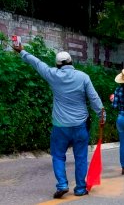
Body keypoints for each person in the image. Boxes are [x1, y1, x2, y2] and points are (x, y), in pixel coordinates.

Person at [12, 44, 105, 198]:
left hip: (60, 126)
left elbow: (37, 63)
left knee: (58, 155)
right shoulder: (83, 77)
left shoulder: (52, 74)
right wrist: (102, 116)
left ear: (57, 64)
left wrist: (22, 51)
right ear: (71, 62)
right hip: (80, 125)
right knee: (81, 156)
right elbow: (94, 99)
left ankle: (62, 184)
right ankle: (81, 188)